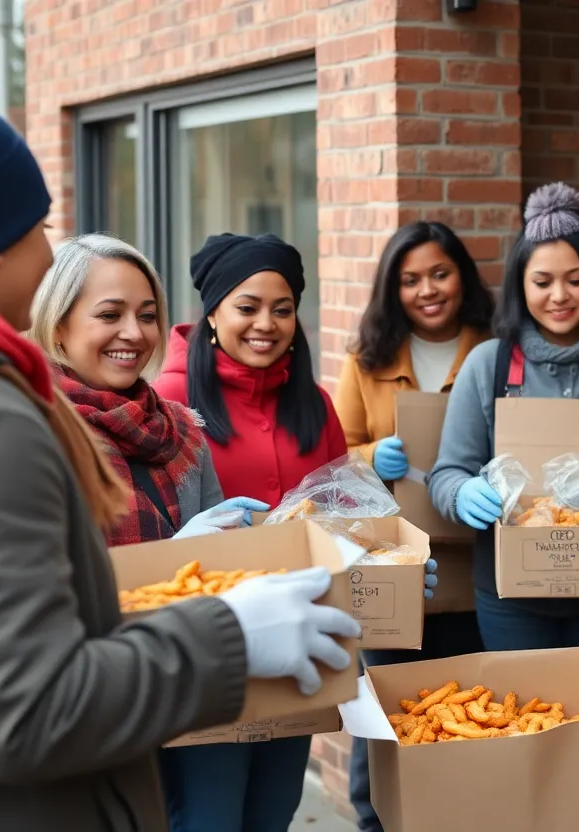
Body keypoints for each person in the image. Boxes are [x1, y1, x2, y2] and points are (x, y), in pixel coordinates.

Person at [0, 59, 357, 832]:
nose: (45, 246)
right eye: (37, 225)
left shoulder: (170, 432)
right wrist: (226, 634)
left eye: (147, 313)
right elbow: (25, 708)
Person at [153, 231, 371, 831]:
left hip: (300, 641)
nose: (265, 324)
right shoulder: (171, 400)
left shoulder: (315, 403)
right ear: (214, 313)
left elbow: (342, 512)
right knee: (209, 817)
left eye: (282, 309)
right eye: (247, 307)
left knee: (274, 814)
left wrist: (382, 559)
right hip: (211, 645)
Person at [427, 182, 579, 679]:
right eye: (542, 281)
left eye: (576, 280)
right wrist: (463, 493)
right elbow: (447, 472)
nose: (559, 296)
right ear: (520, 286)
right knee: (525, 723)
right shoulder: (489, 365)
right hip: (509, 594)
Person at [334, 220, 494, 832]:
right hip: (395, 573)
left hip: (475, 567)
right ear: (391, 288)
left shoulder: (494, 349)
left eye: (440, 273)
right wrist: (374, 457)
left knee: (469, 712)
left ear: (462, 277)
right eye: (409, 279)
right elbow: (336, 456)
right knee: (383, 715)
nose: (427, 289)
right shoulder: (366, 359)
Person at [28, 234, 267, 548]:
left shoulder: (185, 431)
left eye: (147, 316)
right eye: (109, 315)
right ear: (56, 324)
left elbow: (218, 565)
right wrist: (170, 554)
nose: (134, 333)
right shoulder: (30, 432)